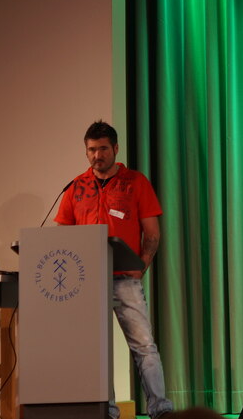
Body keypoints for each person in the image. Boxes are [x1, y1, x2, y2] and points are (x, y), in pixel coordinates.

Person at [55, 120, 173, 419]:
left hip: (125, 279)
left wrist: (140, 267)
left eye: (103, 149)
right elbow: (61, 235)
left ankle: (161, 410)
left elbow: (153, 233)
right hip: (87, 282)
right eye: (92, 150)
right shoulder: (75, 187)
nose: (97, 155)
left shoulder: (135, 182)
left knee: (144, 345)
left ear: (115, 149)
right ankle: (105, 411)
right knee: (96, 350)